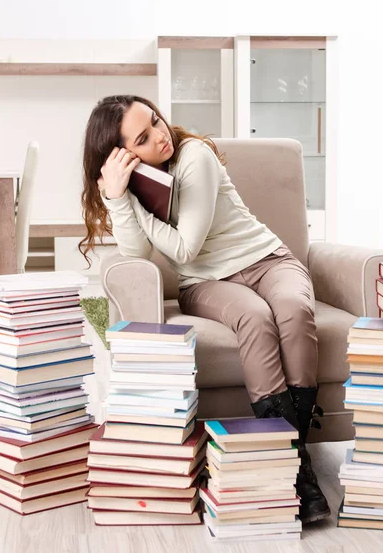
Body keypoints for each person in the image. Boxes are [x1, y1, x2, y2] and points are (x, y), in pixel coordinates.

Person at [80, 94, 330, 524]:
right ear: (122, 155)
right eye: (143, 137)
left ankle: (294, 457)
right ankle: (298, 470)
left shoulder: (194, 155)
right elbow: (137, 251)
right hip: (205, 282)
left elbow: (184, 245)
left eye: (156, 122)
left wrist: (136, 208)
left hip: (268, 259)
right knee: (254, 317)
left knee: (292, 309)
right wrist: (121, 198)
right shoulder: (137, 184)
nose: (160, 136)